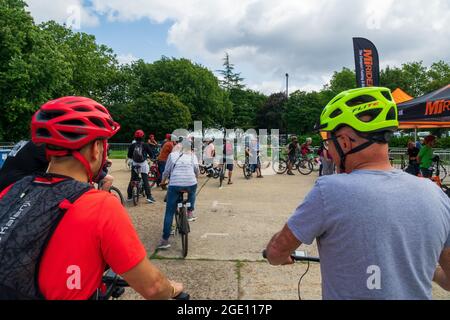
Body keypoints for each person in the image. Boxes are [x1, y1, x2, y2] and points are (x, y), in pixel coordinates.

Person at [264, 87, 450, 299]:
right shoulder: (436, 194)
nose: (330, 153)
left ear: (344, 142)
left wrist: (278, 250)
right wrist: (426, 270)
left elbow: (276, 253)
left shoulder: (329, 190)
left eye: (328, 143)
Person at [0, 96, 183, 300]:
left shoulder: (13, 190)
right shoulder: (100, 206)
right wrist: (172, 288)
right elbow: (153, 288)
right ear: (96, 149)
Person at [158, 137, 200, 249]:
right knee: (193, 191)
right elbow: (197, 169)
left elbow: (166, 172)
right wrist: (195, 178)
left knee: (169, 212)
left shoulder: (172, 155)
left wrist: (162, 182)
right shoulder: (193, 155)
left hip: (175, 184)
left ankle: (165, 240)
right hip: (191, 183)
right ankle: (190, 211)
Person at [127, 130, 155, 203]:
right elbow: (151, 154)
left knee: (132, 179)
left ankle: (129, 196)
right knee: (145, 179)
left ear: (135, 137)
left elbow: (129, 155)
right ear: (143, 137)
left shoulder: (132, 145)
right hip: (143, 164)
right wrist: (151, 157)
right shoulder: (145, 145)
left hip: (135, 164)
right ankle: (149, 197)